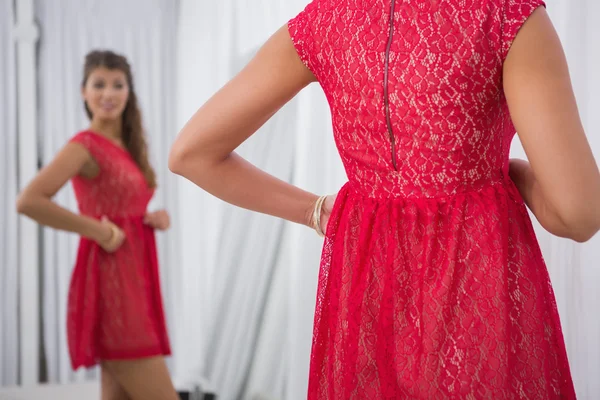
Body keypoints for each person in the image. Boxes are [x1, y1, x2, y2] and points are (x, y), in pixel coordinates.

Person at [169, 0, 600, 398]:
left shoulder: (323, 20)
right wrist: (509, 171)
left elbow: (191, 154)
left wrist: (314, 211)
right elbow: (577, 215)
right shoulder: (506, 16)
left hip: (366, 285)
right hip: (477, 286)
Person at [17, 50, 179, 400]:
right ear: (83, 92)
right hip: (112, 282)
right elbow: (29, 200)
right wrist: (99, 231)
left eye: (118, 84)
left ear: (129, 92)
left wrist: (153, 217)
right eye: (99, 84)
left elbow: (126, 201)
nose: (108, 93)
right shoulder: (83, 146)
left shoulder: (126, 144)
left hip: (137, 277)